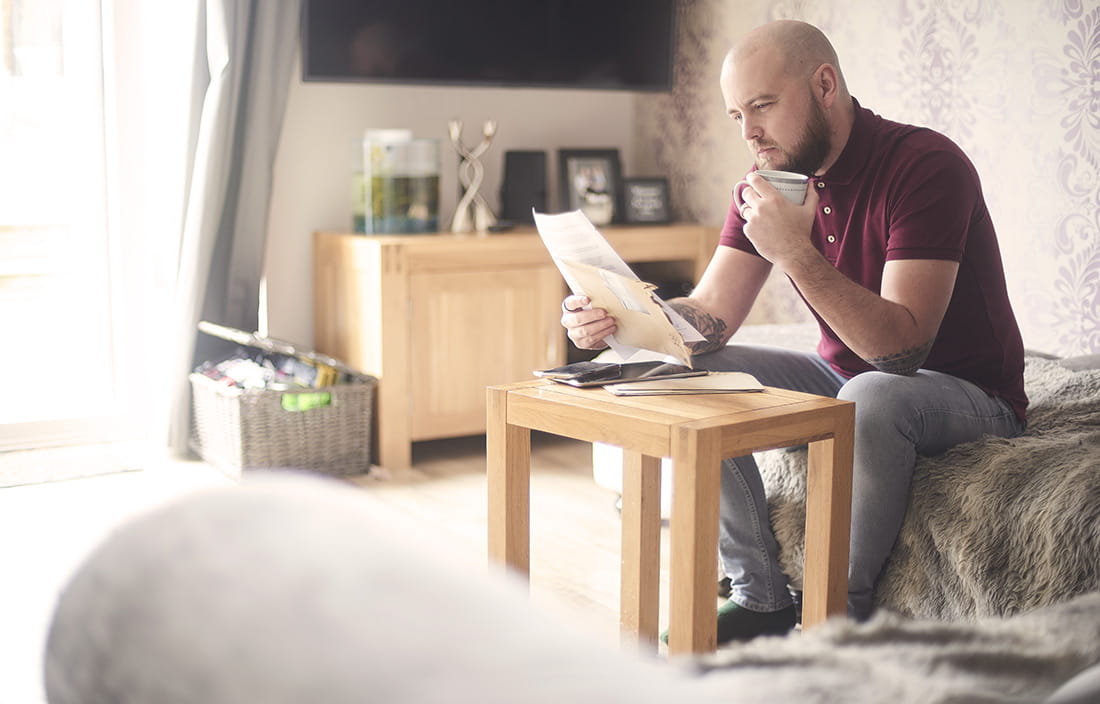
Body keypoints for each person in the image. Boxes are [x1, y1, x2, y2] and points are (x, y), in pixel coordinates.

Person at [560, 19, 1027, 645]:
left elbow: (902, 350)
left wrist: (796, 254)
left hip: (967, 393)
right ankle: (760, 596)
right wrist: (627, 322)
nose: (749, 133)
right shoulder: (767, 182)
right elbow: (711, 317)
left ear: (824, 85)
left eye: (762, 106)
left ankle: (837, 615)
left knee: (874, 395)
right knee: (679, 371)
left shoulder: (926, 166)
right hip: (845, 373)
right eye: (735, 115)